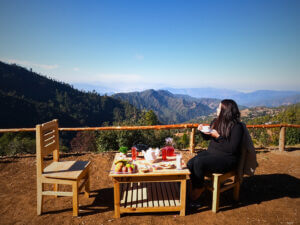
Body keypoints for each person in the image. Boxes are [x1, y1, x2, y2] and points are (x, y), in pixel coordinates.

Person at [187, 99, 244, 201]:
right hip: (212, 153)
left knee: (199, 163)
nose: (217, 109)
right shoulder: (216, 121)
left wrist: (218, 136)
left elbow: (232, 148)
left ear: (225, 111)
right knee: (190, 163)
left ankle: (198, 190)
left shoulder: (237, 127)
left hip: (227, 159)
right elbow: (207, 138)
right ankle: (197, 186)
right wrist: (202, 131)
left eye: (219, 108)